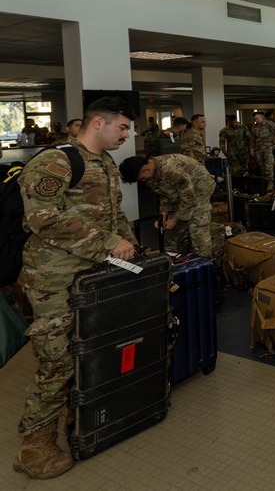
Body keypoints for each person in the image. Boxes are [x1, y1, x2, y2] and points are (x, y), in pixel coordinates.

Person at [14, 96, 138, 479]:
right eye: (122, 127)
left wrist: (132, 254)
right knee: (57, 361)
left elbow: (114, 217)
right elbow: (41, 218)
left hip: (94, 276)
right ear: (98, 122)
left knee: (89, 351)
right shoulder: (56, 161)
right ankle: (35, 445)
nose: (126, 135)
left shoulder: (105, 162)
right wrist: (108, 243)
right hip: (53, 281)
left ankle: (77, 418)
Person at [119, 154, 214, 260]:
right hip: (182, 192)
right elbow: (165, 194)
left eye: (142, 178)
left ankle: (204, 261)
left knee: (198, 228)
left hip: (199, 190)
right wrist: (163, 214)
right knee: (171, 237)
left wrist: (175, 219)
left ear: (146, 169)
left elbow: (189, 196)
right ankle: (173, 261)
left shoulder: (172, 169)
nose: (143, 180)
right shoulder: (151, 174)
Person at [249, 110, 275, 192]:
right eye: (255, 119)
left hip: (267, 148)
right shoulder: (254, 127)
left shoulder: (269, 124)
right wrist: (251, 149)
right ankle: (265, 182)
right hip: (258, 149)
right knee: (261, 166)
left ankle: (270, 182)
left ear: (262, 117)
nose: (256, 120)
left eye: (257, 118)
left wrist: (273, 143)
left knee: (268, 165)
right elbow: (252, 139)